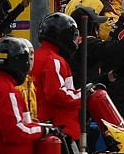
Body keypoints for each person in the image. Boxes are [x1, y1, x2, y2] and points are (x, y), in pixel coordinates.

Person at [31, 12, 85, 146]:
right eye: (73, 37)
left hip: (42, 127)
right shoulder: (54, 60)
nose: (75, 41)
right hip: (60, 129)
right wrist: (84, 94)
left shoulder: (35, 57)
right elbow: (57, 94)